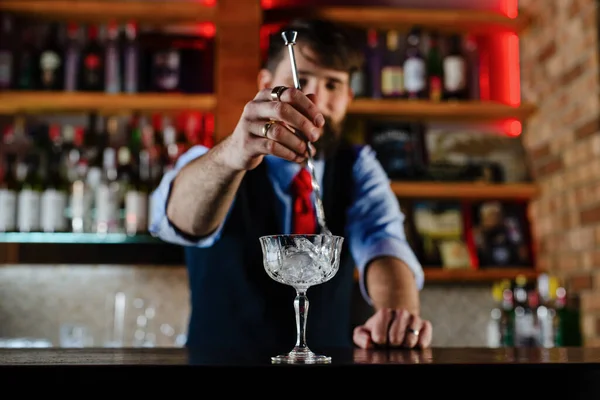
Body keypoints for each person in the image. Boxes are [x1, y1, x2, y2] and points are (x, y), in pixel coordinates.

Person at [149, 18, 433, 352]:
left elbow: (384, 242)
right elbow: (179, 221)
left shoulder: (357, 167)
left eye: (333, 85)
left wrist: (395, 316)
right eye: (304, 79)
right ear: (266, 84)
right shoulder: (214, 159)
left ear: (349, 97)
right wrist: (232, 156)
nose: (317, 100)